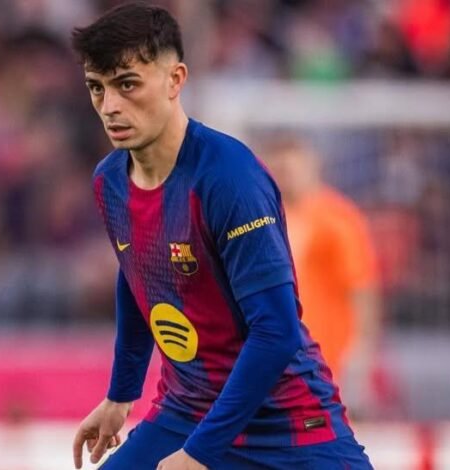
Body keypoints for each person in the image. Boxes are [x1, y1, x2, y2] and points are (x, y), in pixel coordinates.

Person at [70, 4, 373, 469]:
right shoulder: (110, 181)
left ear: (175, 80)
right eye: (98, 87)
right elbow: (136, 279)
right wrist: (120, 394)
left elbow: (277, 331)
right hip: (188, 411)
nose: (110, 106)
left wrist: (200, 453)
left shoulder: (230, 177)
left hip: (286, 422)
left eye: (127, 84)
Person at [261, 138, 384, 418]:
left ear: (311, 167)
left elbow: (362, 286)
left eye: (290, 169)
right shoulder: (269, 215)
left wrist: (362, 347)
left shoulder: (337, 218)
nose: (285, 177)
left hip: (329, 356)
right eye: (279, 170)